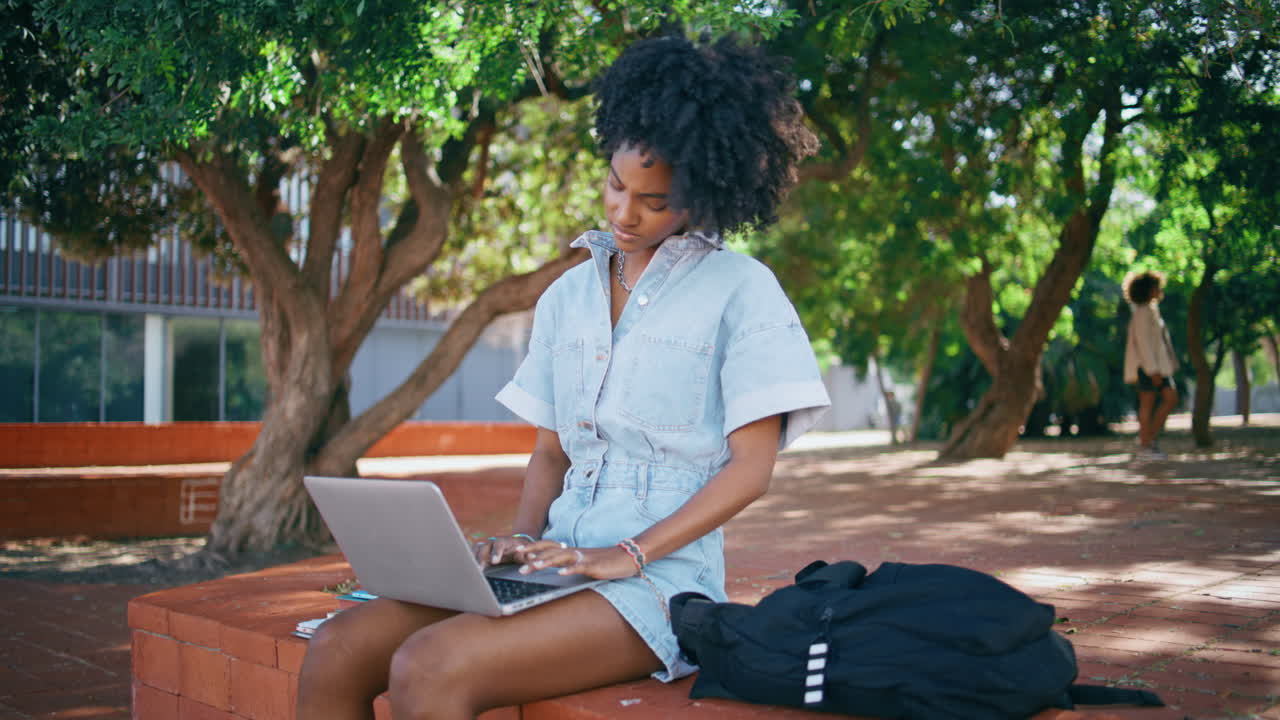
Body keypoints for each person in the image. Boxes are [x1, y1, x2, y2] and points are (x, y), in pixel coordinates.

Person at [296, 33, 830, 720]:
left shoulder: (742, 290)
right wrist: (519, 547)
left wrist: (627, 554)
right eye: (616, 184)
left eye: (656, 200)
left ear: (707, 194)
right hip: (552, 562)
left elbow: (751, 470)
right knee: (338, 647)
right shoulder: (567, 297)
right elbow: (551, 452)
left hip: (656, 583)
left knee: (429, 666)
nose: (624, 212)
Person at [1123, 270, 1179, 460]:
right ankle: (1146, 445)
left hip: (1160, 367)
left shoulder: (1152, 311)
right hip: (1149, 368)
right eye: (1156, 286)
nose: (1159, 289)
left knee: (1170, 398)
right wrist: (1152, 370)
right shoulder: (1141, 313)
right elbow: (1143, 344)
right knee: (1149, 403)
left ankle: (1148, 440)